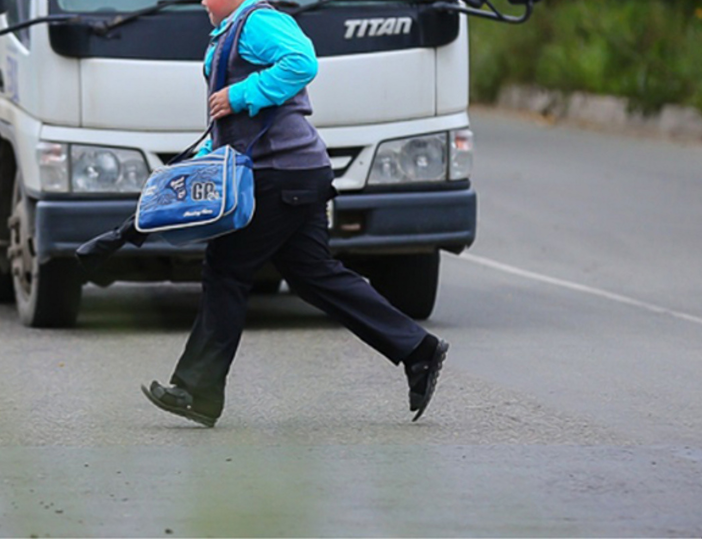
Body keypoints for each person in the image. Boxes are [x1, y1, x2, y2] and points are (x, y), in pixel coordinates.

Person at [79, 0, 449, 427]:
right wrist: (195, 164)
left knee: (226, 271)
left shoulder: (258, 22)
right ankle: (418, 350)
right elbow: (231, 127)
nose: (201, 2)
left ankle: (197, 389)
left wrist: (240, 95)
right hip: (297, 173)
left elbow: (302, 61)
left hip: (280, 176)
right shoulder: (232, 32)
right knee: (315, 275)